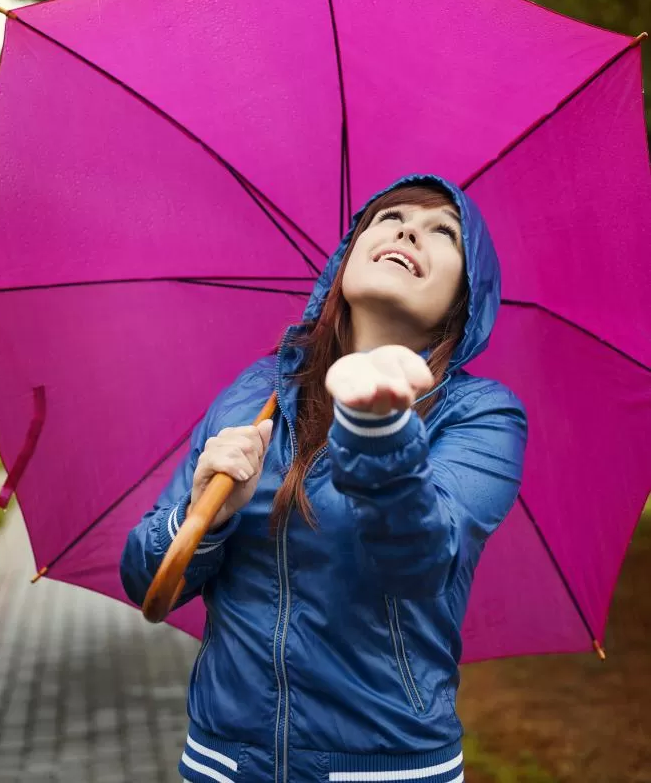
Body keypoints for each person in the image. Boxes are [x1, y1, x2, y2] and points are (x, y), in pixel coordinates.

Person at [121, 173, 528, 783]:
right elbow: (148, 580)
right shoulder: (255, 394)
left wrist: (377, 430)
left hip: (384, 769)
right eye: (389, 218)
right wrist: (205, 515)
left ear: (464, 298)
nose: (409, 230)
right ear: (347, 259)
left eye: (444, 231)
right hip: (224, 764)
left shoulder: (482, 415)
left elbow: (422, 561)